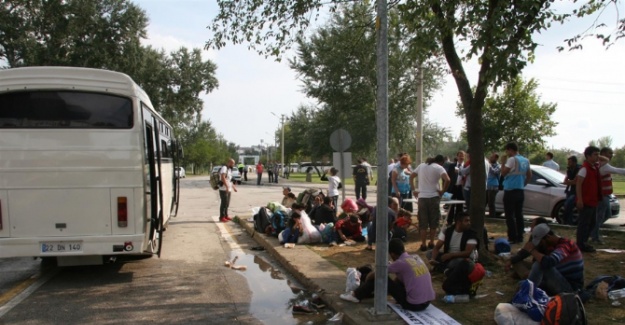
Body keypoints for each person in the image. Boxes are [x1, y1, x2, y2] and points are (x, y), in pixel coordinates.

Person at [340, 239, 436, 312]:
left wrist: (368, 279)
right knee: (397, 279)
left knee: (380, 277)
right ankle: (366, 293)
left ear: (392, 254)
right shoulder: (416, 257)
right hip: (427, 302)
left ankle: (356, 295)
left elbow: (376, 274)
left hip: (414, 305)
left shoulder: (400, 263)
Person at [525, 224, 584, 296]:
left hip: (570, 288)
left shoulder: (566, 245)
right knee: (523, 284)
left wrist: (532, 251)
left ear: (548, 237)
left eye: (541, 243)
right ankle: (526, 293)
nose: (541, 245)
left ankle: (526, 296)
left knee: (539, 265)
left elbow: (549, 262)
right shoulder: (551, 247)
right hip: (559, 281)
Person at [410, 154, 451, 252]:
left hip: (422, 197)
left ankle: (423, 244)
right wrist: (442, 191)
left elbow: (411, 177)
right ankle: (432, 242)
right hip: (434, 197)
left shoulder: (421, 166)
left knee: (423, 222)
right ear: (441, 162)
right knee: (433, 221)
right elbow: (448, 180)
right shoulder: (439, 168)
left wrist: (413, 190)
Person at [592, 147, 625, 244]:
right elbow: (619, 171)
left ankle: (593, 232)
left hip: (605, 195)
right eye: (609, 153)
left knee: (606, 215)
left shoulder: (601, 164)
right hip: (602, 196)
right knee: (601, 216)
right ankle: (595, 235)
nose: (611, 155)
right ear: (603, 154)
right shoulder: (604, 166)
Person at [501, 142, 531, 244]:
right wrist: (523, 184)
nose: (507, 152)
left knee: (509, 215)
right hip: (520, 191)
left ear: (510, 150)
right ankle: (520, 236)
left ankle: (512, 237)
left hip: (510, 191)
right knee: (519, 215)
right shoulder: (526, 160)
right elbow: (529, 175)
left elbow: (503, 173)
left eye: (507, 150)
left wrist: (502, 163)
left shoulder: (511, 159)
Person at [575, 146, 601, 253]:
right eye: (595, 154)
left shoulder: (594, 167)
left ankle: (584, 242)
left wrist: (598, 156)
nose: (597, 157)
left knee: (591, 223)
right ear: (588, 156)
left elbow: (605, 160)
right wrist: (580, 200)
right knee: (584, 224)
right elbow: (578, 184)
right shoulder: (584, 169)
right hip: (586, 201)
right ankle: (581, 244)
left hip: (592, 200)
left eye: (598, 154)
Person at [445, 151, 466, 225]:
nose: (461, 157)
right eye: (460, 156)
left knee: (459, 206)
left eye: (462, 156)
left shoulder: (465, 166)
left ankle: (458, 221)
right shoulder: (452, 165)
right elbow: (448, 176)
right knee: (451, 205)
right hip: (453, 187)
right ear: (457, 157)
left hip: (461, 187)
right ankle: (449, 221)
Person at [562, 156, 581, 225]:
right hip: (570, 190)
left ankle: (570, 222)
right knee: (567, 206)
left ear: (574, 162)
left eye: (570, 162)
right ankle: (568, 222)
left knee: (569, 204)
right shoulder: (569, 169)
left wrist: (570, 182)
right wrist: (570, 182)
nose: (568, 163)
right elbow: (565, 180)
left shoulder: (579, 169)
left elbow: (576, 181)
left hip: (576, 191)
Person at [486, 152, 501, 217]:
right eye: (490, 157)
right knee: (484, 202)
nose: (490, 158)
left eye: (492, 157)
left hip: (493, 186)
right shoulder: (489, 165)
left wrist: (489, 166)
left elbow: (495, 172)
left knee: (491, 203)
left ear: (496, 158)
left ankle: (492, 216)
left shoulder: (498, 166)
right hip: (487, 186)